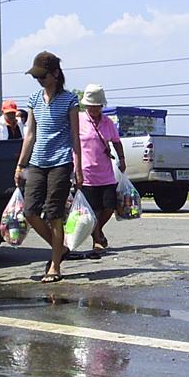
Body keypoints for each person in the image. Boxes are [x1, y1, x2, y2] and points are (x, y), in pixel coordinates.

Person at [15, 51, 82, 283]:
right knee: (30, 211)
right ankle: (60, 248)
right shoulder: (34, 99)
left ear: (55, 74)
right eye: (36, 77)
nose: (39, 80)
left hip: (61, 162)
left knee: (54, 214)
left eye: (43, 76)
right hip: (37, 162)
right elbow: (30, 134)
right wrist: (20, 164)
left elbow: (75, 135)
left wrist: (79, 167)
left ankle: (55, 265)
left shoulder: (70, 100)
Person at [77, 84, 125, 253]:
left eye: (97, 106)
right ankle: (97, 239)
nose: (94, 109)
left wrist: (122, 159)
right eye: (91, 105)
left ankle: (97, 232)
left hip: (105, 172)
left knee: (109, 206)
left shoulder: (107, 122)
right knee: (91, 210)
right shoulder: (78, 120)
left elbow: (117, 141)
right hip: (85, 172)